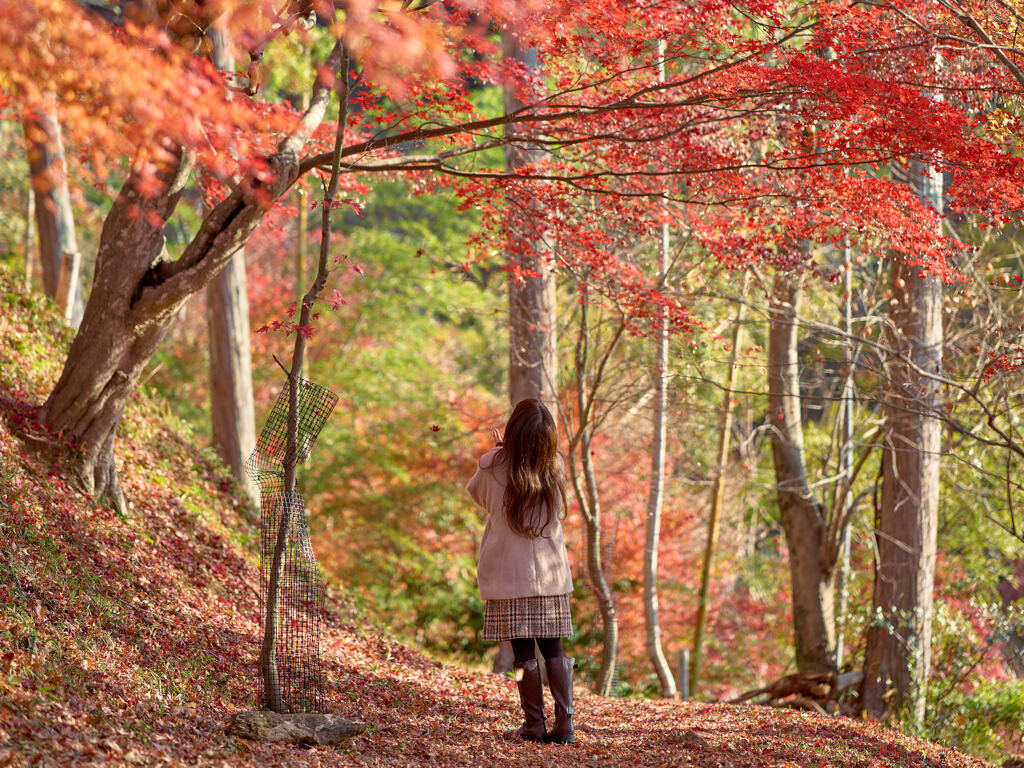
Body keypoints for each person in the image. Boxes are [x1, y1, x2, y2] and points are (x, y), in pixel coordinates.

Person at [466, 398, 576, 745]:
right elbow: (556, 508)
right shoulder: (555, 465)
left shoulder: (492, 464)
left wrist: (501, 454)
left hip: (508, 573)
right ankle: (565, 727)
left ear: (513, 430)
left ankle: (533, 724)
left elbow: (481, 499)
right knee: (554, 648)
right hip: (549, 575)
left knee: (523, 653)